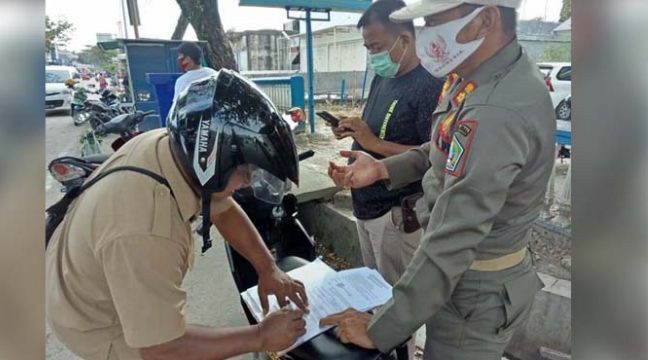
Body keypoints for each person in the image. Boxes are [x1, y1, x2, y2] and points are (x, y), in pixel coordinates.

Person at [320, 1, 555, 359]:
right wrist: (384, 168)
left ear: (485, 20)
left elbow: (456, 232)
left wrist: (382, 326)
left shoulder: (495, 108)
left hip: (474, 289)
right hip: (460, 278)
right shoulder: (476, 78)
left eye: (433, 21)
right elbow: (445, 147)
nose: (424, 33)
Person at [47, 69, 308, 360]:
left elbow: (223, 207)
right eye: (246, 172)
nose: (248, 182)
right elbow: (161, 348)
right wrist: (260, 336)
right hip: (95, 322)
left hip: (83, 265)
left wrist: (267, 268)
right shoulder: (147, 230)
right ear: (214, 160)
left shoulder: (174, 147)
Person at [329, 0, 442, 287]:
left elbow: (434, 155)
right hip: (365, 207)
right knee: (375, 293)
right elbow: (375, 127)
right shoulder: (384, 77)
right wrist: (352, 128)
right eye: (368, 48)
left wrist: (373, 142)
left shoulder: (430, 84)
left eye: (376, 47)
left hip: (395, 217)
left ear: (405, 39)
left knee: (395, 303)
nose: (372, 55)